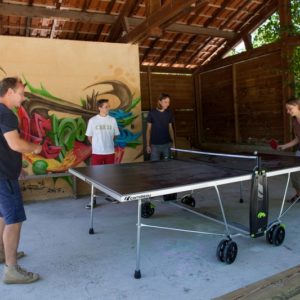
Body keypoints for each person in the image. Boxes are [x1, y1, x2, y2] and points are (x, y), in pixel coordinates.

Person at [0, 77, 42, 284]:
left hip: (4, 173)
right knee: (14, 220)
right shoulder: (7, 114)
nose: (23, 98)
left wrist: (18, 166)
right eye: (21, 93)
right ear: (9, 92)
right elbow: (15, 144)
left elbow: (4, 146)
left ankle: (1, 252)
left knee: (2, 215)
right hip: (4, 178)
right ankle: (11, 269)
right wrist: (35, 148)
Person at [85, 99, 120, 208]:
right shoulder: (93, 120)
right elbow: (89, 136)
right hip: (97, 153)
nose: (108, 108)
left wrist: (107, 143)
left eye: (108, 106)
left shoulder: (112, 120)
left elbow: (114, 135)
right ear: (99, 108)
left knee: (110, 175)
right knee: (95, 177)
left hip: (110, 152)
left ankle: (109, 195)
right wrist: (96, 145)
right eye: (106, 106)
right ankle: (93, 199)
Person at [278, 97, 300, 203]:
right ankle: (299, 195)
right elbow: (298, 138)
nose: (288, 111)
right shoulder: (294, 121)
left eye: (290, 109)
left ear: (298, 106)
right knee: (294, 174)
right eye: (287, 109)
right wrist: (285, 146)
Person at [146, 93, 175, 161]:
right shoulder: (152, 113)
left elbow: (170, 129)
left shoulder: (169, 113)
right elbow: (148, 130)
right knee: (154, 167)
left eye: (168, 102)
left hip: (167, 145)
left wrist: (173, 144)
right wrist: (148, 145)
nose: (168, 104)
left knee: (168, 166)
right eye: (165, 102)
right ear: (159, 101)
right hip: (154, 146)